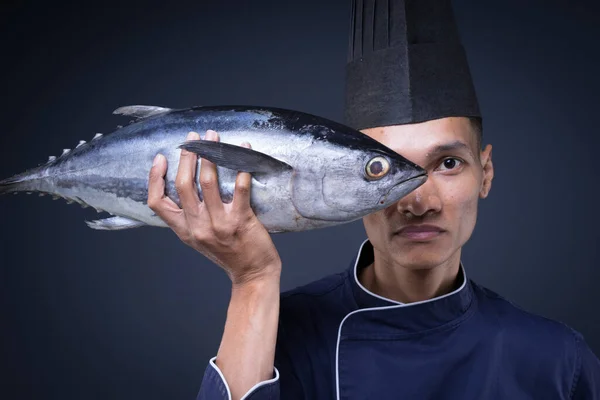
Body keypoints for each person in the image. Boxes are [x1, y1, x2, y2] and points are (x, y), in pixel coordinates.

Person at [147, 1, 600, 399]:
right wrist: (252, 280)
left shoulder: (559, 358)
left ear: (486, 173)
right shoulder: (275, 329)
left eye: (447, 163)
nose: (418, 200)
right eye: (381, 169)